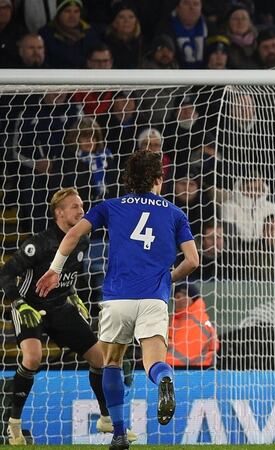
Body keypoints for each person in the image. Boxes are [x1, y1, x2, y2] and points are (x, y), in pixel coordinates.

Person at [35, 151, 200, 450]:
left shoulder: (111, 207)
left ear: (129, 179)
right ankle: (164, 378)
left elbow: (72, 235)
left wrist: (54, 270)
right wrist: (167, 279)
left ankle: (120, 434)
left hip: (117, 297)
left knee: (111, 361)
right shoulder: (175, 213)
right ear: (158, 180)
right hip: (154, 298)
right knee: (154, 361)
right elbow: (192, 260)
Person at [0, 189, 135, 444]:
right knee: (32, 357)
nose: (81, 210)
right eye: (74, 206)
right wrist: (19, 302)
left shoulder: (81, 240)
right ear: (59, 212)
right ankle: (14, 425)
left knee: (101, 360)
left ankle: (106, 418)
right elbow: (5, 274)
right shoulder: (38, 243)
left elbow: (68, 276)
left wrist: (74, 295)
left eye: (81, 205)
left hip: (61, 307)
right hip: (30, 308)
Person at [166, 281, 219, 367]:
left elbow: (213, 346)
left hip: (196, 370)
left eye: (182, 296)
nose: (178, 300)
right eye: (176, 297)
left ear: (192, 298)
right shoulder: (171, 321)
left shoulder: (202, 321)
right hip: (170, 369)